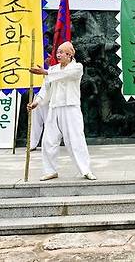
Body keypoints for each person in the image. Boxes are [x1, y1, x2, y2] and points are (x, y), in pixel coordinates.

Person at [28, 41, 96, 181]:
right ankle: (50, 170)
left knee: (75, 140)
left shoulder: (77, 67)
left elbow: (65, 74)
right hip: (54, 108)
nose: (58, 55)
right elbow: (45, 89)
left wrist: (45, 72)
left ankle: (85, 170)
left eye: (61, 52)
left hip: (70, 108)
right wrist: (36, 102)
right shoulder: (53, 69)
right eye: (57, 52)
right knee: (48, 141)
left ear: (69, 54)